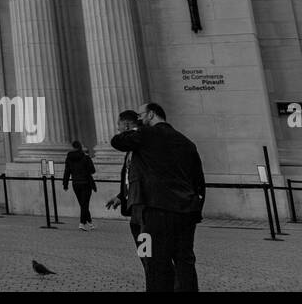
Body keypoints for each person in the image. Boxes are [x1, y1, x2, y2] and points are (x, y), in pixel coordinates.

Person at [111, 102, 205, 292]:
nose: (139, 119)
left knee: (153, 261)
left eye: (140, 115)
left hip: (153, 212)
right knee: (184, 260)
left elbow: (117, 141)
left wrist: (134, 128)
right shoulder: (186, 142)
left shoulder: (146, 134)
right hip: (186, 211)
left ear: (151, 115)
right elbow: (198, 181)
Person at [106, 110, 148, 279]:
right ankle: (154, 278)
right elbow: (133, 176)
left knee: (149, 252)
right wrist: (121, 196)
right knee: (145, 252)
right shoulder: (133, 148)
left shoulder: (142, 142)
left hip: (144, 208)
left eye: (119, 126)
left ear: (127, 125)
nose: (118, 130)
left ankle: (158, 281)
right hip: (136, 208)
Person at [63, 139, 98, 230]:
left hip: (75, 183)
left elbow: (67, 172)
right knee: (85, 204)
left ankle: (90, 222)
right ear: (80, 147)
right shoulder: (86, 157)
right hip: (86, 183)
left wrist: (65, 184)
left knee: (83, 204)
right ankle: (82, 223)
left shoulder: (69, 158)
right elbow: (93, 171)